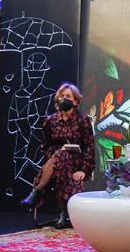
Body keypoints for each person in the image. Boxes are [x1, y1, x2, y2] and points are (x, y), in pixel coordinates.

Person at [21, 82, 95, 229]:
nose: (64, 99)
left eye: (68, 96)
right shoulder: (50, 121)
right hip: (59, 163)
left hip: (77, 162)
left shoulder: (83, 120)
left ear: (75, 101)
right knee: (60, 156)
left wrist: (84, 170)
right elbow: (45, 146)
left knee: (61, 156)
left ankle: (37, 191)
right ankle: (63, 213)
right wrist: (57, 153)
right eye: (61, 96)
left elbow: (89, 148)